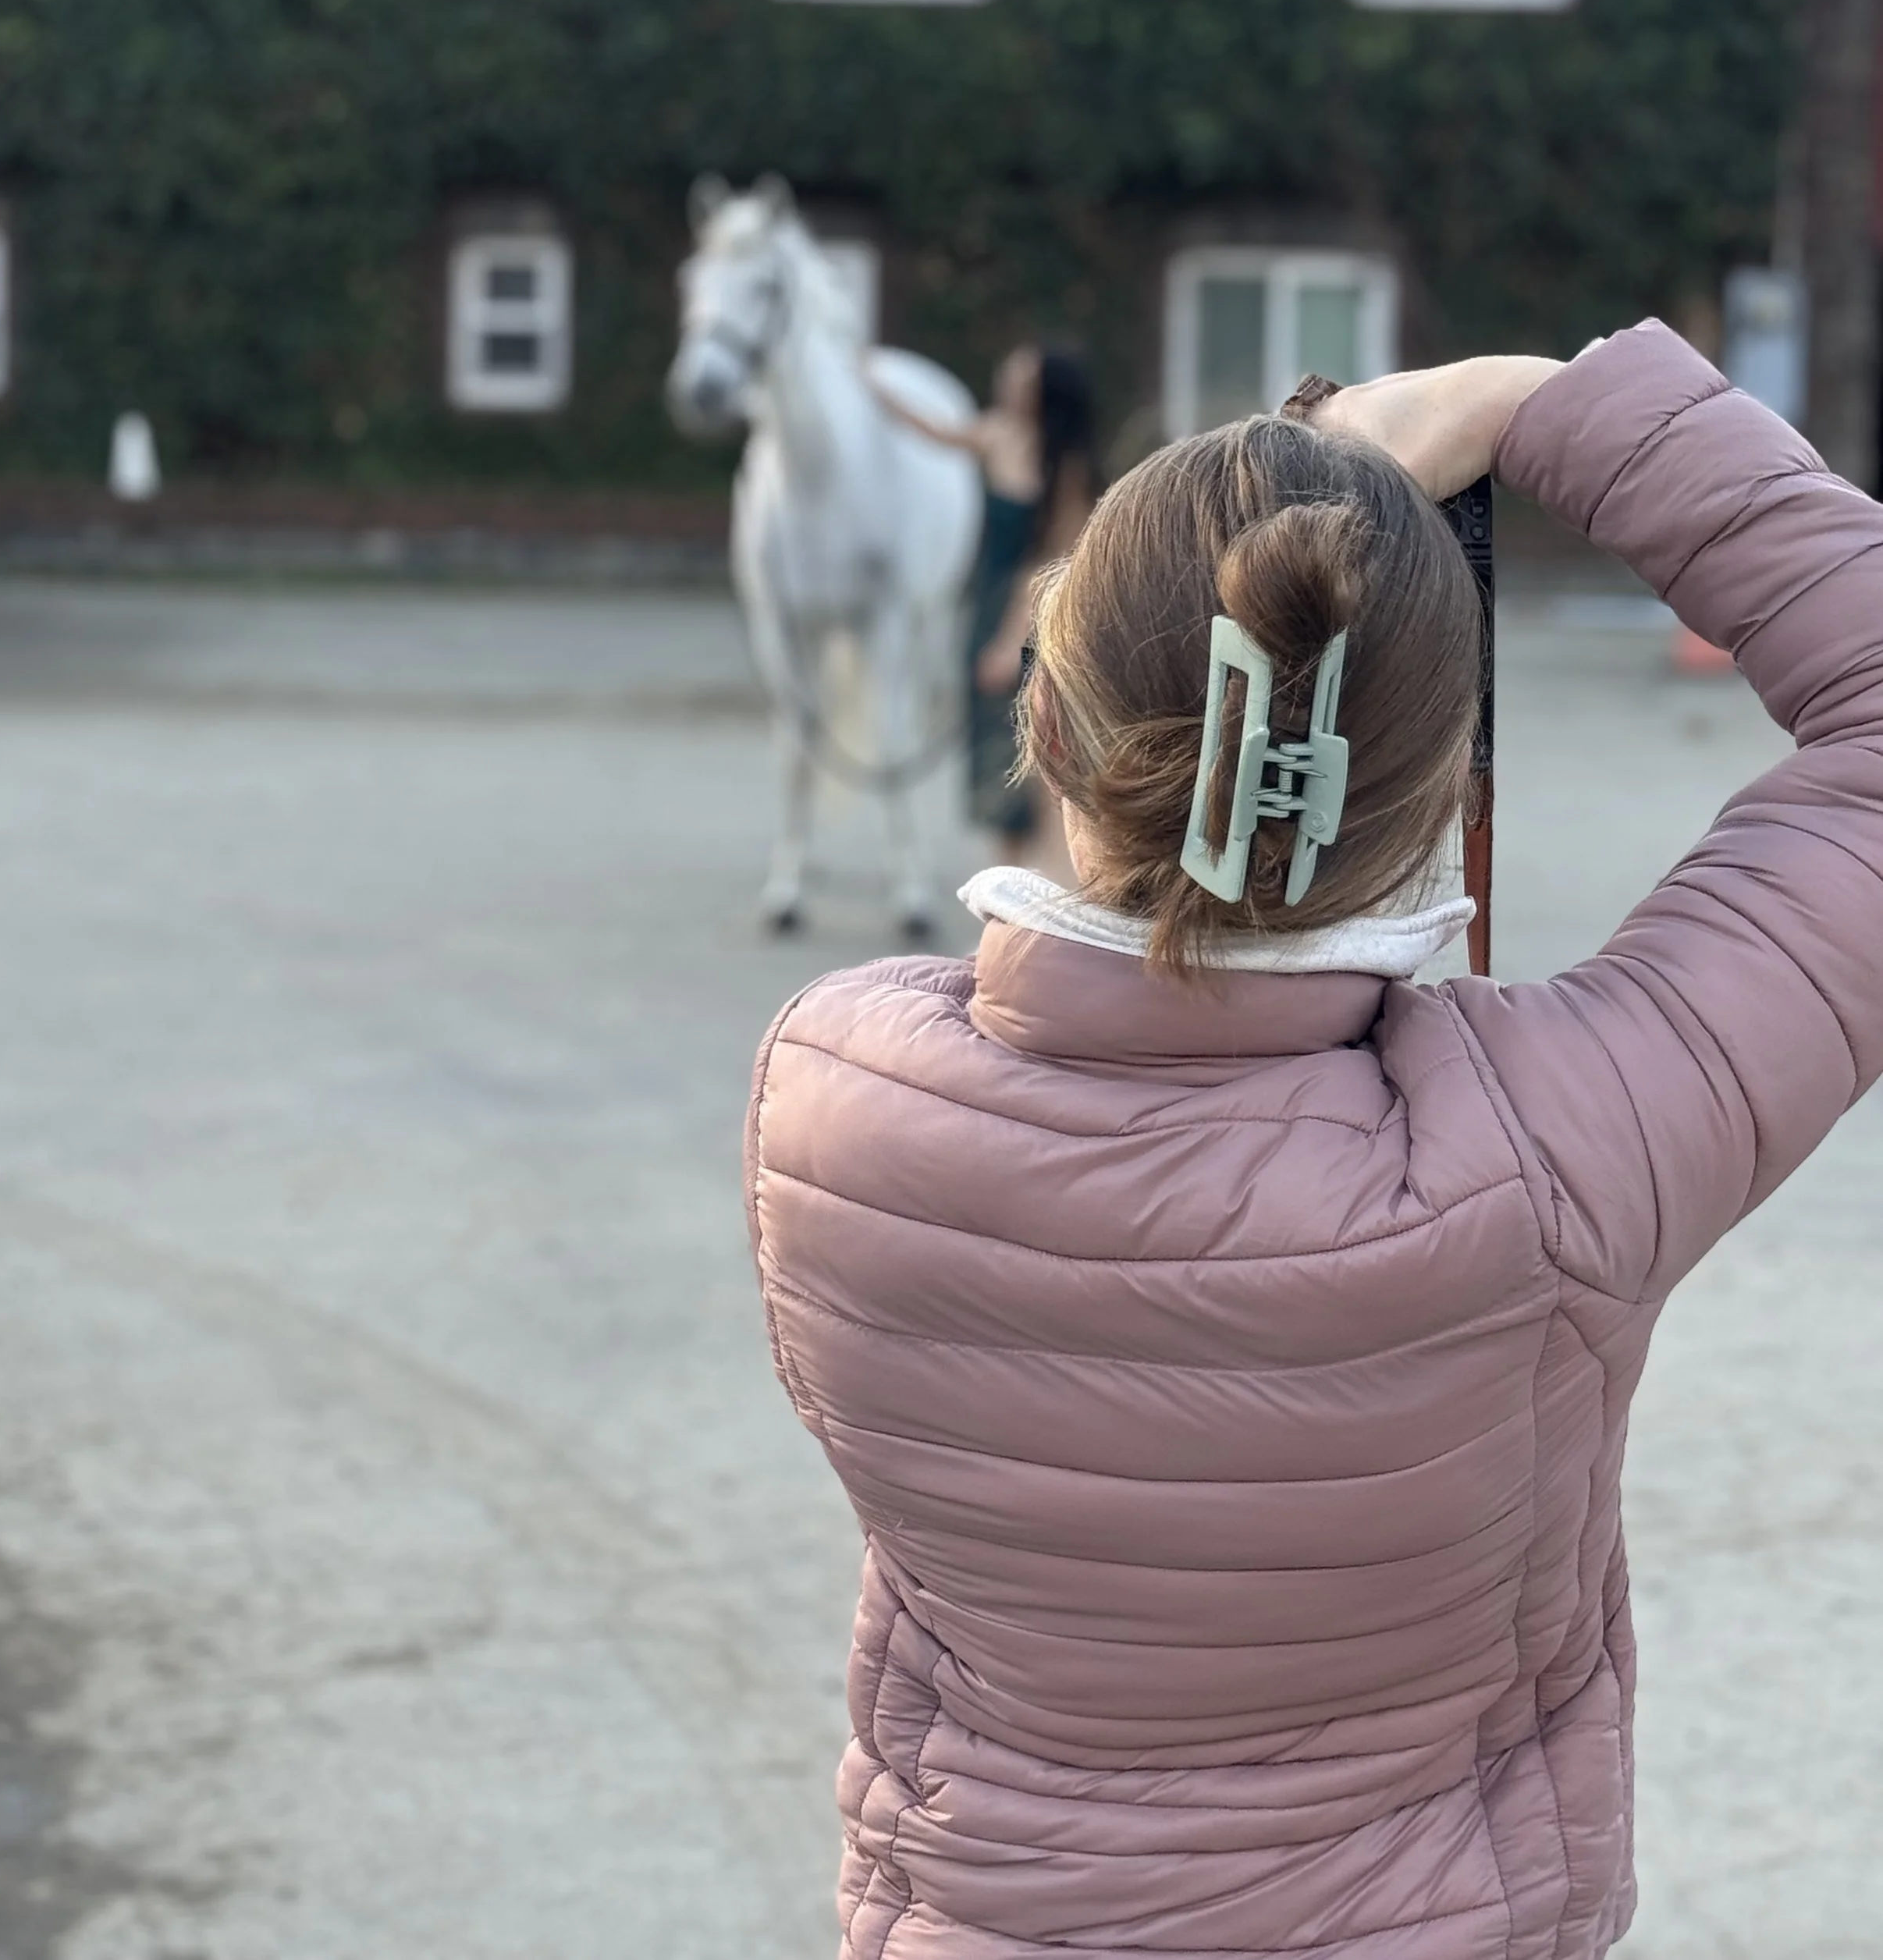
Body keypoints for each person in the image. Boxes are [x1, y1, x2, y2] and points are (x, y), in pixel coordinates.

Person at [744, 322, 1883, 1960]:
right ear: (1440, 803)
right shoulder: (1554, 1147)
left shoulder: (833, 1097)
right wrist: (1536, 405)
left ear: (1046, 729)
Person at [872, 342, 1099, 868]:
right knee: (995, 749)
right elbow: (934, 431)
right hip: (988, 603)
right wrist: (877, 390)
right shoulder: (998, 436)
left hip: (1039, 617)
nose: (1008, 386)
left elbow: (1047, 562)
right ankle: (1012, 875)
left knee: (1041, 750)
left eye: (1022, 380)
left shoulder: (1070, 465)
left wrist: (1010, 639)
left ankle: (1047, 877)